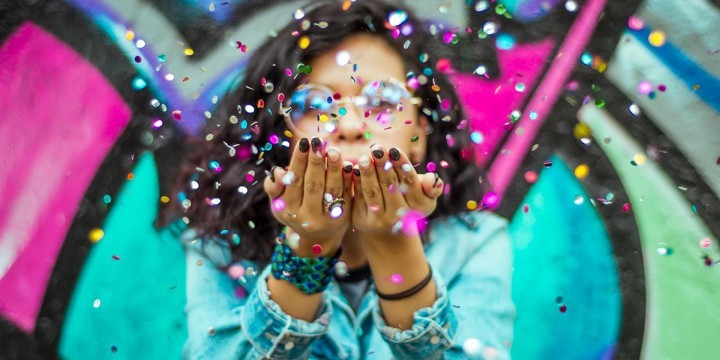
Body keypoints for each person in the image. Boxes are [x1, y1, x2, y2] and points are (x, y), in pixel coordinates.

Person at [164, 0, 515, 358]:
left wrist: (394, 244)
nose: (348, 126)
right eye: (315, 106)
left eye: (380, 102)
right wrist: (306, 249)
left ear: (422, 132)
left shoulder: (474, 243)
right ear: (281, 137)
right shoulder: (223, 247)